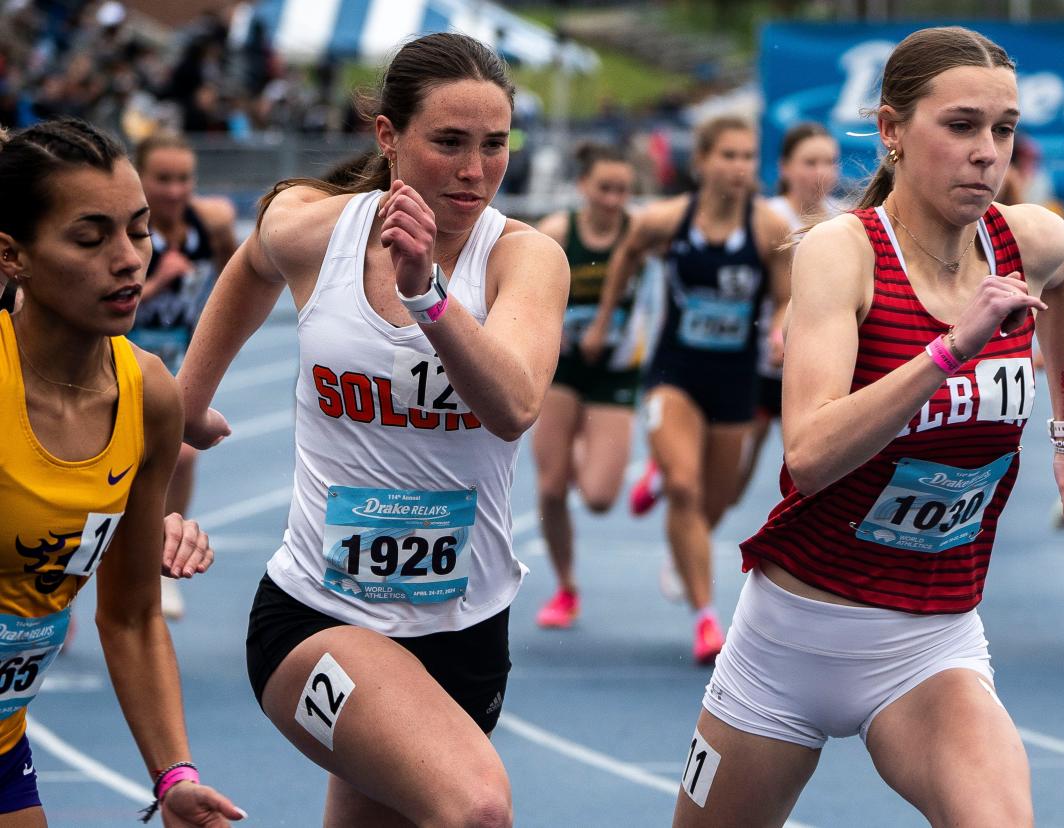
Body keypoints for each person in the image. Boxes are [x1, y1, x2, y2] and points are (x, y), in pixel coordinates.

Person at [671, 27, 1064, 827]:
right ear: (893, 131)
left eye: (1004, 129)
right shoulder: (844, 253)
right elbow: (808, 456)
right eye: (961, 125)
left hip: (930, 643)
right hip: (792, 640)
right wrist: (949, 351)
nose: (987, 152)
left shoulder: (1030, 238)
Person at [176, 33, 567, 826]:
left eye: (495, 146)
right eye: (448, 143)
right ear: (388, 137)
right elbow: (252, 264)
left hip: (463, 632)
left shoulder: (521, 260)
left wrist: (429, 299)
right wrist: (187, 402)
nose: (474, 171)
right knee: (476, 808)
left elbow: (513, 404)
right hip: (317, 617)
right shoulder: (318, 231)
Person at [0, 117, 243, 826]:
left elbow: (133, 615)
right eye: (89, 237)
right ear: (14, 255)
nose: (128, 259)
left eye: (138, 231)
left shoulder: (151, 397)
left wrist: (174, 777)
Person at [582, 115, 792, 664]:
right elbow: (626, 255)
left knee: (714, 506)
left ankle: (677, 530)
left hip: (734, 381)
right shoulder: (666, 221)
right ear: (701, 162)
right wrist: (607, 322)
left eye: (747, 156)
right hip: (674, 374)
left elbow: (785, 296)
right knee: (684, 486)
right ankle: (705, 618)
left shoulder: (767, 228)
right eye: (728, 155)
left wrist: (777, 331)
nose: (739, 167)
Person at [131, 131, 238, 622]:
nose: (174, 191)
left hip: (174, 371)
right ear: (140, 179)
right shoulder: (128, 234)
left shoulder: (206, 228)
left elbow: (236, 279)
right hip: (121, 363)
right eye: (162, 179)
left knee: (184, 456)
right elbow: (102, 310)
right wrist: (158, 282)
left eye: (183, 179)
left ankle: (158, 558)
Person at [531, 143, 639, 628]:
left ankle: (583, 446)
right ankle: (566, 587)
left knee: (597, 496)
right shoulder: (558, 233)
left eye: (623, 190)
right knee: (552, 487)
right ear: (583, 188)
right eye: (605, 189)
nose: (614, 199)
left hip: (616, 369)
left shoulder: (640, 236)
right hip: (563, 369)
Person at [737, 122, 840, 503]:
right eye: (810, 161)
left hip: (818, 361)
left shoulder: (846, 219)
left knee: (815, 474)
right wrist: (775, 333)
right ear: (784, 167)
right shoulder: (764, 217)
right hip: (762, 359)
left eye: (830, 161)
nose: (821, 172)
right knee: (733, 481)